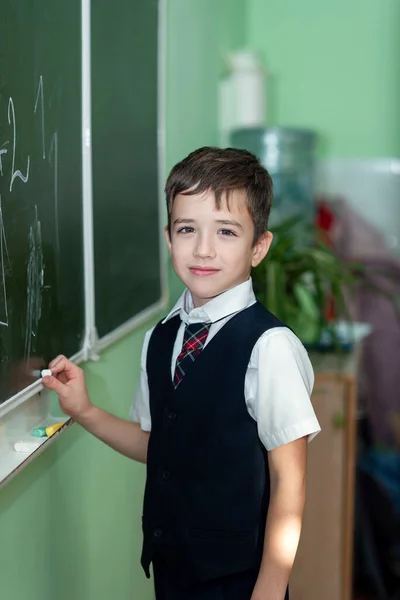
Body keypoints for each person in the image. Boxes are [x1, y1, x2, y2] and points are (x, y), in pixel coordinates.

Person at [43, 147, 320, 600]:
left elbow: (290, 482)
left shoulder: (270, 348)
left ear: (258, 247)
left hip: (240, 581)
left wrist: (270, 589)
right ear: (169, 239)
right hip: (173, 572)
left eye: (227, 232)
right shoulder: (162, 338)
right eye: (187, 229)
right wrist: (87, 412)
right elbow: (161, 447)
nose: (203, 249)